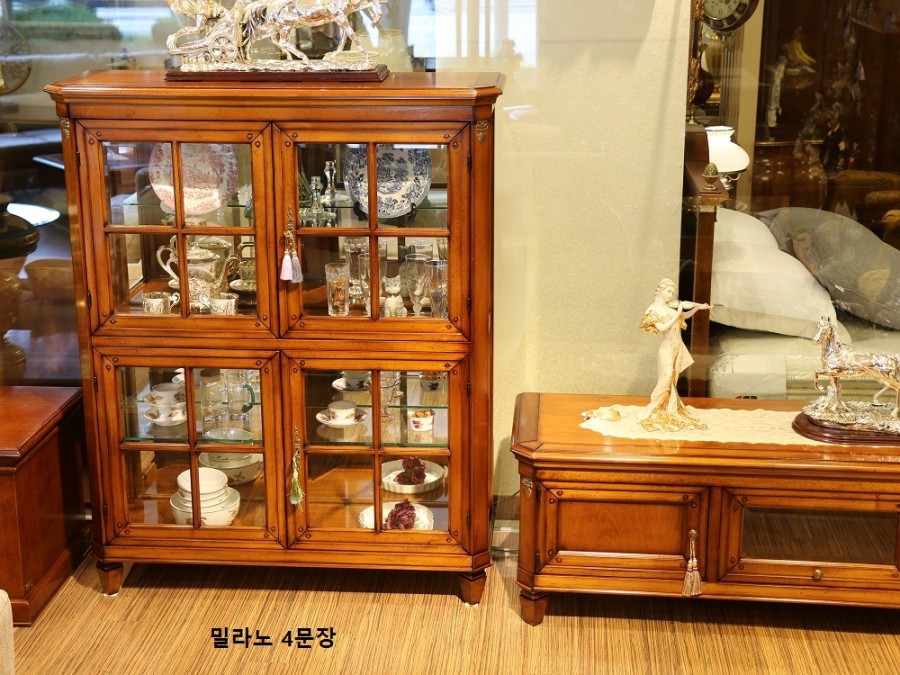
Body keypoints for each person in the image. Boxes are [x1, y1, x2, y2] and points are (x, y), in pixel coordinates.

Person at [639, 278, 711, 431]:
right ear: (661, 291)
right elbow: (662, 327)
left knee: (673, 378)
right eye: (669, 292)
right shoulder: (653, 309)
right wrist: (678, 312)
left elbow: (684, 315)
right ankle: (654, 407)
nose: (671, 295)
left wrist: (698, 307)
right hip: (667, 348)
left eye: (672, 293)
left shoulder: (670, 307)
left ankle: (668, 406)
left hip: (678, 347)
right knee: (665, 378)